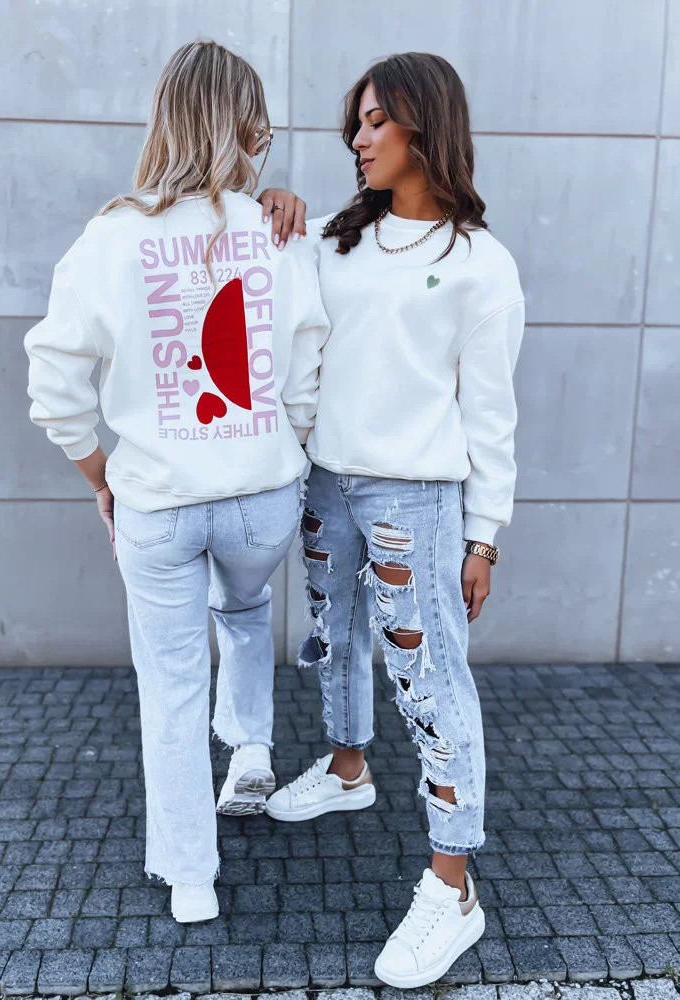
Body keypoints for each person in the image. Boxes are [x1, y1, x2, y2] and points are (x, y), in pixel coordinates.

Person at [24, 40, 329, 924]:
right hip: (262, 498)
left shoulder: (111, 236)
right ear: (246, 127)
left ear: (165, 118)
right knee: (242, 608)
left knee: (170, 684)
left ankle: (192, 878)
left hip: (155, 502)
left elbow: (53, 383)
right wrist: (275, 445)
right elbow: (306, 371)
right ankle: (252, 750)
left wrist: (99, 473)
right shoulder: (277, 232)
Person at [260, 52, 525, 985]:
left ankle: (453, 887)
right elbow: (272, 271)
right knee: (335, 636)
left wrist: (485, 534)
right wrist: (276, 206)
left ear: (425, 125)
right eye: (358, 123)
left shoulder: (480, 265)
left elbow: (491, 415)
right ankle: (347, 771)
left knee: (431, 680)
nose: (359, 138)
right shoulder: (335, 238)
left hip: (418, 497)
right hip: (328, 481)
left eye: (377, 121)